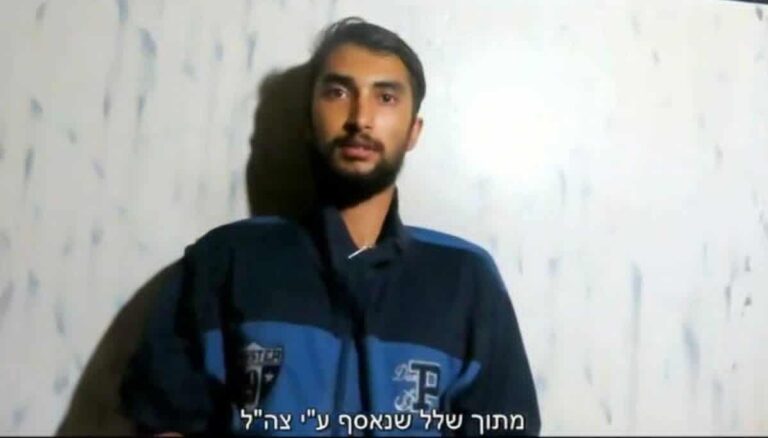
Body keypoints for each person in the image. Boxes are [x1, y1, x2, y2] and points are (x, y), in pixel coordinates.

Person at [120, 16, 540, 436]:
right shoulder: (225, 261)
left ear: (414, 131)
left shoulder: (465, 280)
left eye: (386, 97)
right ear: (308, 120)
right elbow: (165, 419)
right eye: (338, 92)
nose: (360, 118)